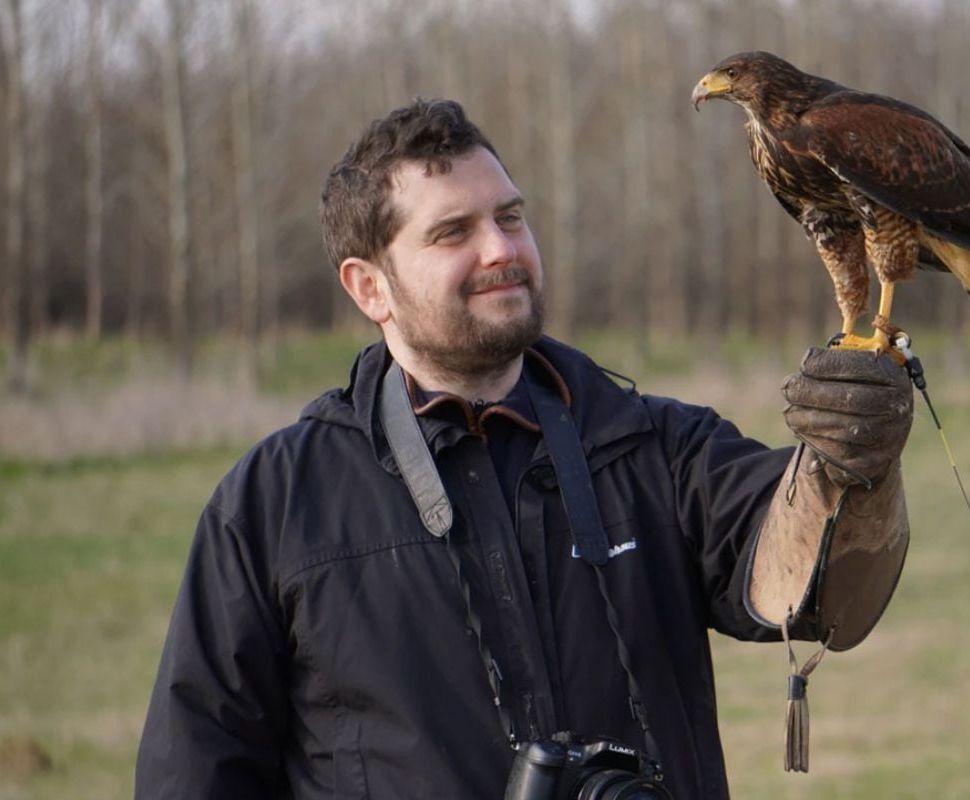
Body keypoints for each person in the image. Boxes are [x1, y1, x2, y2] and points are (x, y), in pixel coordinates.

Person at [135, 98, 913, 799]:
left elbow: (818, 595)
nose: (500, 249)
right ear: (369, 287)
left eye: (510, 218)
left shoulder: (656, 446)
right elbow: (195, 770)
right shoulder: (274, 504)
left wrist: (850, 470)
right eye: (453, 232)